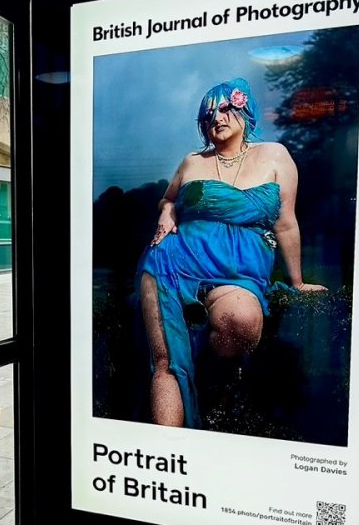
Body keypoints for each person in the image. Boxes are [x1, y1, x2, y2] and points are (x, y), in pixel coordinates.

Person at [137, 77, 326, 430]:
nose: (216, 119)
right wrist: (167, 210)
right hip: (172, 261)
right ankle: (171, 454)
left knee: (240, 322)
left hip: (238, 272)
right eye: (208, 115)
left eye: (224, 108)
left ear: (244, 108)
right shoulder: (192, 160)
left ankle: (214, 391)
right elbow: (168, 198)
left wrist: (297, 281)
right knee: (165, 361)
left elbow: (286, 223)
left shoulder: (275, 155)